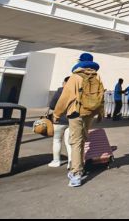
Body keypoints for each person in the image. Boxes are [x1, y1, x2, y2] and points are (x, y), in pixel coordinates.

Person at [53, 52, 105, 188]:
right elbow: (101, 96)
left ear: (80, 62)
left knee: (75, 142)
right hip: (90, 112)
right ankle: (79, 165)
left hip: (76, 113)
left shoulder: (75, 77)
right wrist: (100, 113)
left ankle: (76, 174)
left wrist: (57, 114)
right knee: (82, 140)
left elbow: (65, 97)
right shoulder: (97, 77)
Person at [48, 76, 72, 168]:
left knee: (57, 140)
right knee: (69, 142)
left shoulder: (60, 90)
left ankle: (56, 161)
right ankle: (71, 161)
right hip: (70, 120)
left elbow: (52, 105)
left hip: (58, 120)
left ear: (65, 83)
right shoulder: (76, 92)